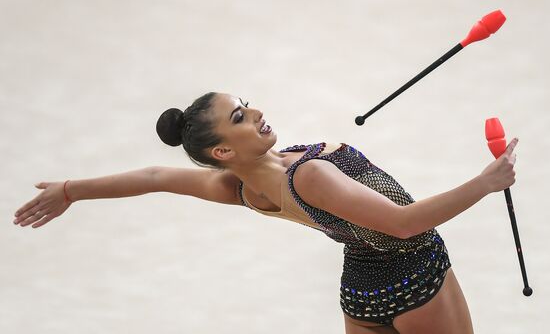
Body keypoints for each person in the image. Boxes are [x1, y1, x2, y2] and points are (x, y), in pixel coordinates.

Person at [13, 92, 518, 334]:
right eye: (239, 118)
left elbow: (154, 178)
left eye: (247, 105)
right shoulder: (310, 176)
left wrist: (72, 190)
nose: (255, 114)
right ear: (223, 152)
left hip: (361, 290)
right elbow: (407, 223)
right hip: (413, 274)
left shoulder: (238, 188)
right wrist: (484, 183)